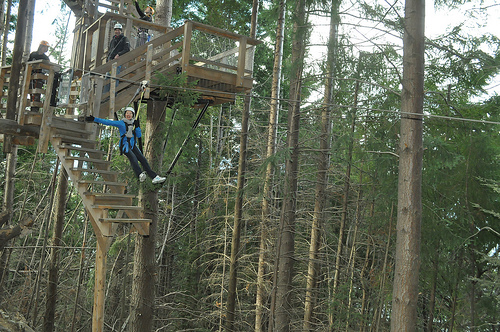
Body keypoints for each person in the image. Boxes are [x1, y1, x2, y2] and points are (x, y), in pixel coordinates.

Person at [85, 107, 166, 184]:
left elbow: (139, 136)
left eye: (130, 113)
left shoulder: (133, 124)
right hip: (125, 146)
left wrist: (137, 126)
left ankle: (154, 177)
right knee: (133, 158)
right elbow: (109, 122)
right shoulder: (121, 123)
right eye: (127, 113)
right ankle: (139, 174)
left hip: (133, 145)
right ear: (125, 114)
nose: (128, 115)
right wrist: (94, 119)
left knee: (143, 160)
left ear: (133, 115)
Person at [28, 41, 51, 112]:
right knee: (30, 92)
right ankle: (31, 107)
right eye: (45, 47)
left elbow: (48, 68)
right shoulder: (33, 55)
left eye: (47, 48)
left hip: (39, 78)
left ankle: (35, 110)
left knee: (37, 93)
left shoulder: (45, 58)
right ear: (41, 47)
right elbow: (28, 63)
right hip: (31, 76)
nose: (46, 49)